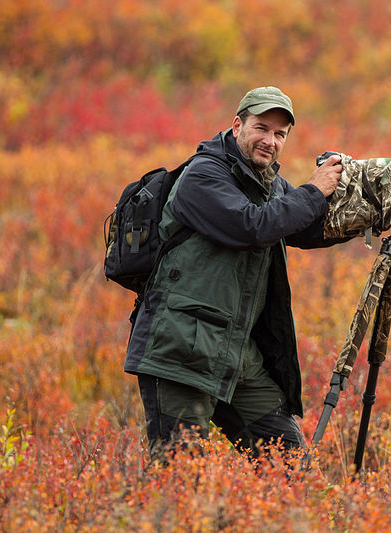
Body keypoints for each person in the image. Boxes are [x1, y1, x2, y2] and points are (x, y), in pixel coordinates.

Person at [124, 86, 345, 458]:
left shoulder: (267, 183)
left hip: (235, 355)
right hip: (180, 351)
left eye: (280, 135)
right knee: (179, 477)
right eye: (261, 128)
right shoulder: (203, 175)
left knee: (287, 463)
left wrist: (379, 210)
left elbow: (304, 227)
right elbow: (252, 227)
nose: (270, 141)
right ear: (237, 124)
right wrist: (312, 190)